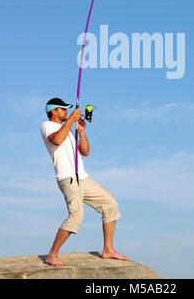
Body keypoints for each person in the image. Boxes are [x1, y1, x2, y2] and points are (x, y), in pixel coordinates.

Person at [40, 97, 128, 267]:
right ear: (53, 111)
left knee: (110, 204)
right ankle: (52, 254)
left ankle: (108, 250)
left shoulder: (69, 131)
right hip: (68, 178)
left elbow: (85, 152)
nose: (66, 111)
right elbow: (57, 140)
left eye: (67, 110)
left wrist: (80, 131)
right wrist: (71, 120)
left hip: (83, 178)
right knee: (77, 215)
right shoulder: (47, 126)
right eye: (63, 109)